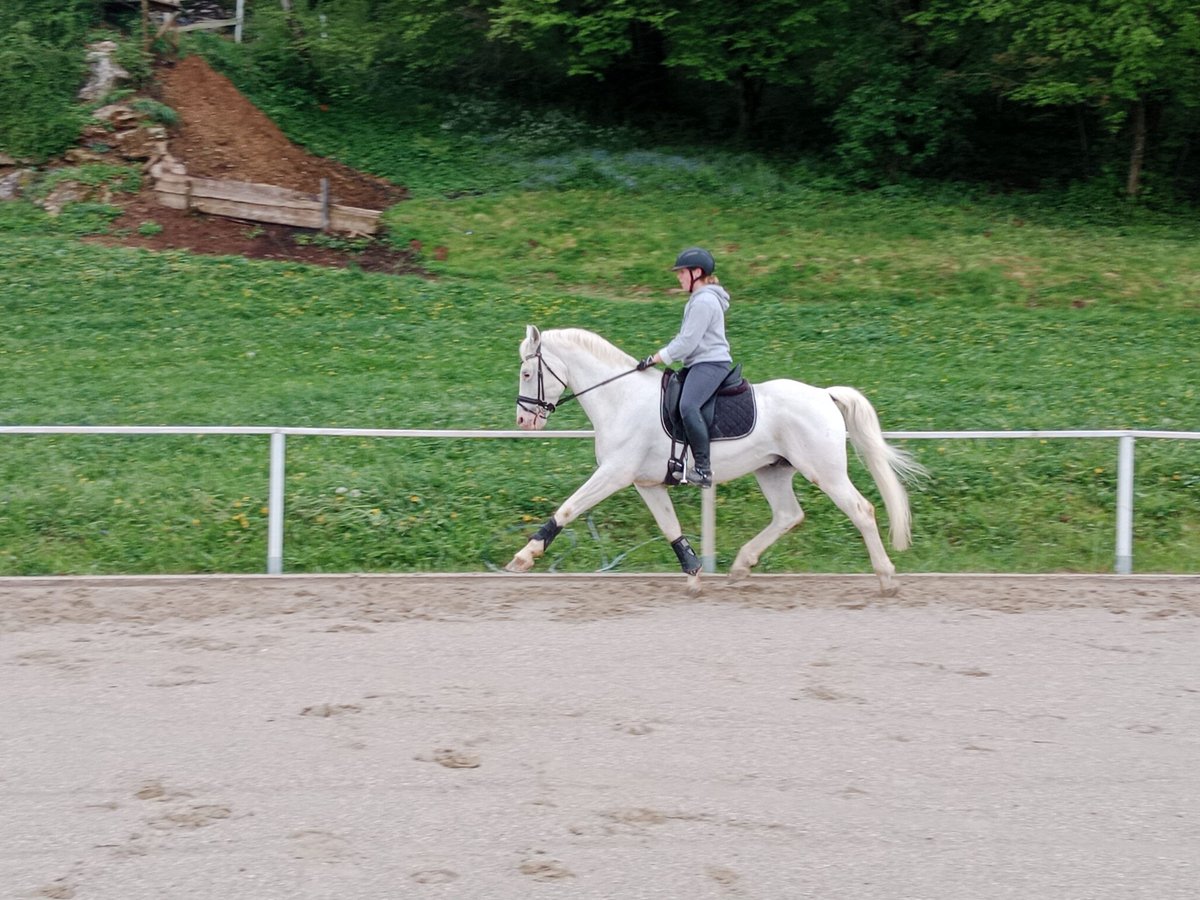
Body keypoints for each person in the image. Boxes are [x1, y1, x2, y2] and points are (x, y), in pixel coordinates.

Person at [637, 246, 732, 488]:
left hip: (710, 363)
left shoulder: (705, 301)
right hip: (699, 363)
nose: (678, 277)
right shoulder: (699, 299)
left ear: (697, 272)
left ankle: (703, 467)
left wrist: (656, 358)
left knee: (688, 405)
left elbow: (687, 342)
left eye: (682, 272)